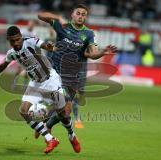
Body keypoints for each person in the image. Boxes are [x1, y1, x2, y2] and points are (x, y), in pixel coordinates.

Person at [0, 26, 78, 154]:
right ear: (8, 40)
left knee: (63, 115)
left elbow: (43, 44)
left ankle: (72, 135)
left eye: (17, 40)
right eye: (12, 41)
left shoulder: (29, 41)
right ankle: (50, 139)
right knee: (23, 111)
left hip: (50, 80)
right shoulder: (11, 53)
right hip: (35, 84)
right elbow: (2, 65)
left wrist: (50, 47)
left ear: (21, 37)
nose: (16, 43)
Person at [37, 4, 117, 140]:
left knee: (66, 112)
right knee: (59, 105)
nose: (81, 16)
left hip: (72, 76)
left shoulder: (89, 34)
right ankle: (45, 122)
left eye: (83, 14)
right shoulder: (63, 27)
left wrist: (103, 51)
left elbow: (92, 54)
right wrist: (58, 17)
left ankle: (47, 124)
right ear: (72, 15)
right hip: (55, 74)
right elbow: (40, 16)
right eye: (78, 13)